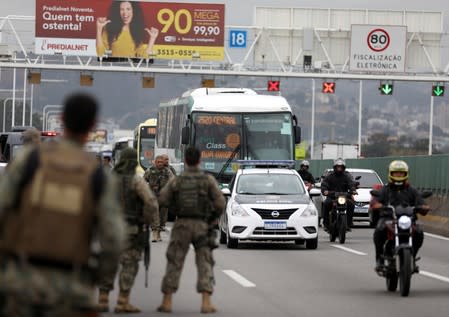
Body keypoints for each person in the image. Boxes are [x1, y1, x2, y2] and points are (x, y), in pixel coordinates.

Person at [0, 93, 125, 316]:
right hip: (70, 291)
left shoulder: (29, 160)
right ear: (93, 126)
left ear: (62, 119)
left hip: (19, 284)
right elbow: (114, 240)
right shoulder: (99, 176)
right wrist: (93, 278)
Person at [157, 146, 225, 314]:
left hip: (181, 224)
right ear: (199, 160)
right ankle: (206, 302)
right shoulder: (207, 180)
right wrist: (211, 218)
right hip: (202, 225)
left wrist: (176, 210)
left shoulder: (177, 180)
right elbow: (220, 202)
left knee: (174, 260)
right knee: (204, 262)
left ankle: (167, 301)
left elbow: (163, 199)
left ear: (185, 160)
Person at [98, 147, 159, 313]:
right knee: (129, 264)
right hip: (131, 229)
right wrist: (145, 220)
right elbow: (151, 203)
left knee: (107, 262)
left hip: (108, 228)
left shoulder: (107, 179)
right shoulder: (136, 181)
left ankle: (103, 299)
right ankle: (122, 301)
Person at [372, 160, 430, 272]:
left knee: (419, 232)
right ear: (391, 174)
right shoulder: (386, 189)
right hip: (389, 218)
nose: (398, 175)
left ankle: (412, 257)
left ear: (405, 174)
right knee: (379, 231)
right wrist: (378, 205)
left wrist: (423, 206)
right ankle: (379, 259)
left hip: (408, 219)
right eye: (396, 173)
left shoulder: (412, 190)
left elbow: (421, 202)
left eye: (401, 173)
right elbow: (376, 201)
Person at [321, 158, 356, 231]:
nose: (339, 168)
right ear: (335, 167)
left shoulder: (347, 176)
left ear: (343, 167)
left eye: (341, 167)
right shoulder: (330, 176)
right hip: (332, 196)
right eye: (338, 166)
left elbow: (351, 183)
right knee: (326, 204)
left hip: (344, 196)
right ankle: (326, 224)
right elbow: (324, 184)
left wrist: (353, 189)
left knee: (351, 204)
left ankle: (348, 224)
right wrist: (325, 190)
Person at [144, 155, 174, 241]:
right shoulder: (150, 171)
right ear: (155, 162)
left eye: (161, 162)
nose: (160, 164)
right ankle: (155, 233)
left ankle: (159, 231)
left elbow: (173, 181)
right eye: (158, 162)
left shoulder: (167, 171)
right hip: (153, 197)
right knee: (154, 214)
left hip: (164, 197)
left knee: (163, 216)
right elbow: (143, 181)